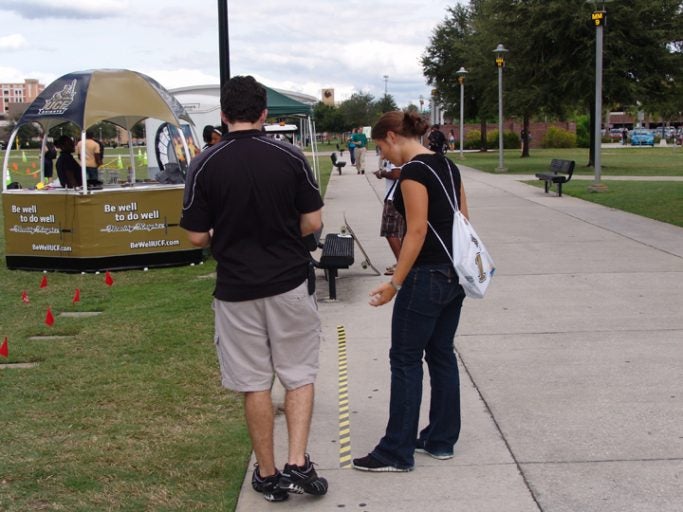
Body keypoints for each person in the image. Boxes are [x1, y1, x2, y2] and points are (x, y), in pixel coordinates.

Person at [180, 75, 328, 502]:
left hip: (236, 288)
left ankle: (267, 472)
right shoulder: (289, 156)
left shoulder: (205, 163)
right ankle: (298, 462)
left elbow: (194, 236)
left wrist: (223, 233)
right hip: (289, 282)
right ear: (264, 113)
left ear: (223, 115)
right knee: (298, 375)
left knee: (254, 383)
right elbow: (313, 221)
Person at [352, 111, 469, 472]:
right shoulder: (447, 166)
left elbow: (415, 232)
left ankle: (395, 451)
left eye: (380, 147)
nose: (382, 155)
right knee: (441, 354)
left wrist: (395, 283)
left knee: (405, 360)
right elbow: (463, 218)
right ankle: (441, 439)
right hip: (454, 274)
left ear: (391, 136)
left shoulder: (414, 173)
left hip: (425, 277)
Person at [373, 159, 404, 275]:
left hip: (393, 200)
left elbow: (396, 174)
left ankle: (402, 264)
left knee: (390, 232)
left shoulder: (395, 156)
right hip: (399, 198)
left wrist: (382, 174)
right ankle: (403, 262)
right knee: (399, 233)